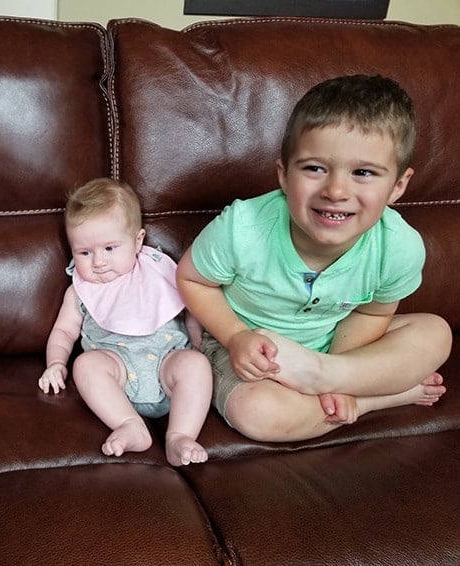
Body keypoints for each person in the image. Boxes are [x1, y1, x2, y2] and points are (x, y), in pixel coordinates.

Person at [176, 74, 451, 443]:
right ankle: (379, 398)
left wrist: (337, 374)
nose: (336, 191)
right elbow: (192, 278)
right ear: (284, 175)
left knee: (436, 334)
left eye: (363, 173)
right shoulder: (242, 227)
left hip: (332, 346)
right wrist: (236, 336)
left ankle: (330, 379)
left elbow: (372, 314)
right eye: (315, 168)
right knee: (258, 412)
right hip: (246, 346)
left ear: (397, 186)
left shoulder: (399, 246)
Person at [38, 178, 213, 466]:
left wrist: (196, 339)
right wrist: (55, 364)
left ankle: (180, 436)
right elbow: (64, 331)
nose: (98, 262)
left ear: (138, 241)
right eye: (85, 252)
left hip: (167, 367)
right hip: (116, 376)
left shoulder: (158, 272)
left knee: (196, 365)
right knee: (86, 365)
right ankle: (129, 424)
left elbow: (188, 306)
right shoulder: (80, 292)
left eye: (110, 248)